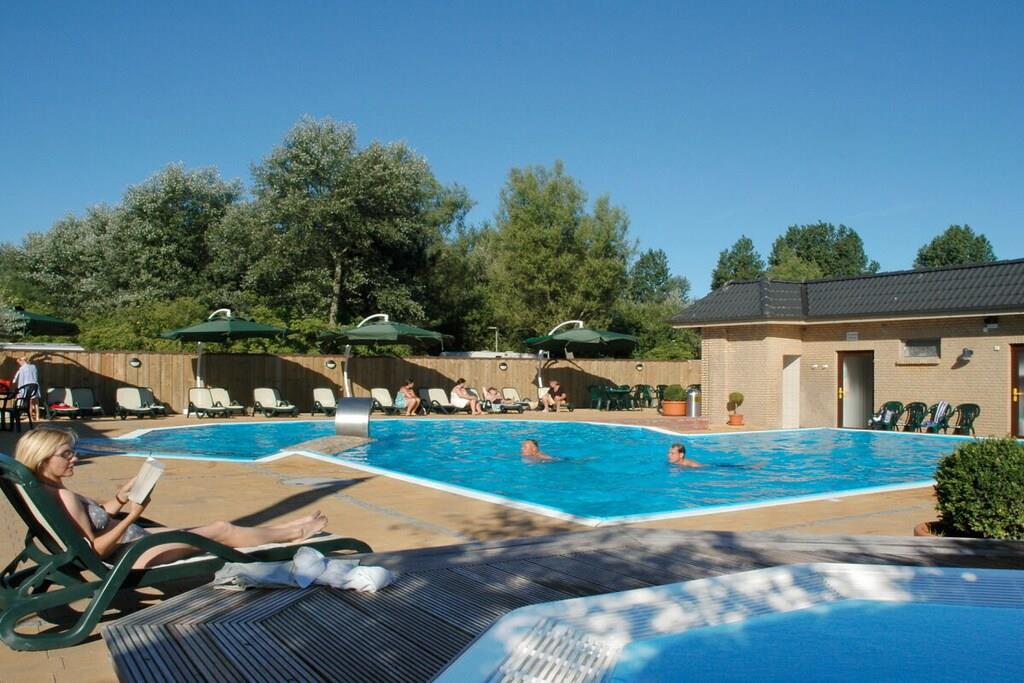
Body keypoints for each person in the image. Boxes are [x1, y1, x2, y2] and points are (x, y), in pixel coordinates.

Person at [15, 426, 329, 569]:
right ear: (42, 458)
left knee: (212, 529)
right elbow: (96, 550)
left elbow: (92, 520)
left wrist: (120, 498)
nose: (74, 458)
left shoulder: (46, 490)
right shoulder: (64, 496)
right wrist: (133, 514)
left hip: (136, 543)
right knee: (222, 530)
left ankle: (288, 527)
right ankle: (294, 532)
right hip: (132, 555)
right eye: (66, 454)